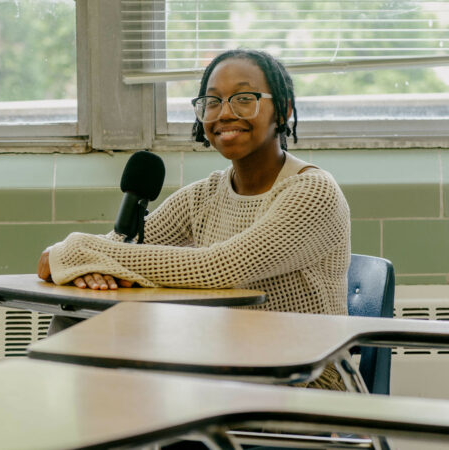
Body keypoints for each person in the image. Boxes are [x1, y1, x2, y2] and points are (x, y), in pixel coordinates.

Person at [37, 49, 351, 391]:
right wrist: (76, 256)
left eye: (244, 99)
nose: (226, 113)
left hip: (300, 379)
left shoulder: (313, 192)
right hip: (219, 366)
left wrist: (78, 251)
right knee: (82, 316)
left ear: (284, 109)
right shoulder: (206, 195)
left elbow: (221, 268)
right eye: (212, 101)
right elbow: (116, 247)